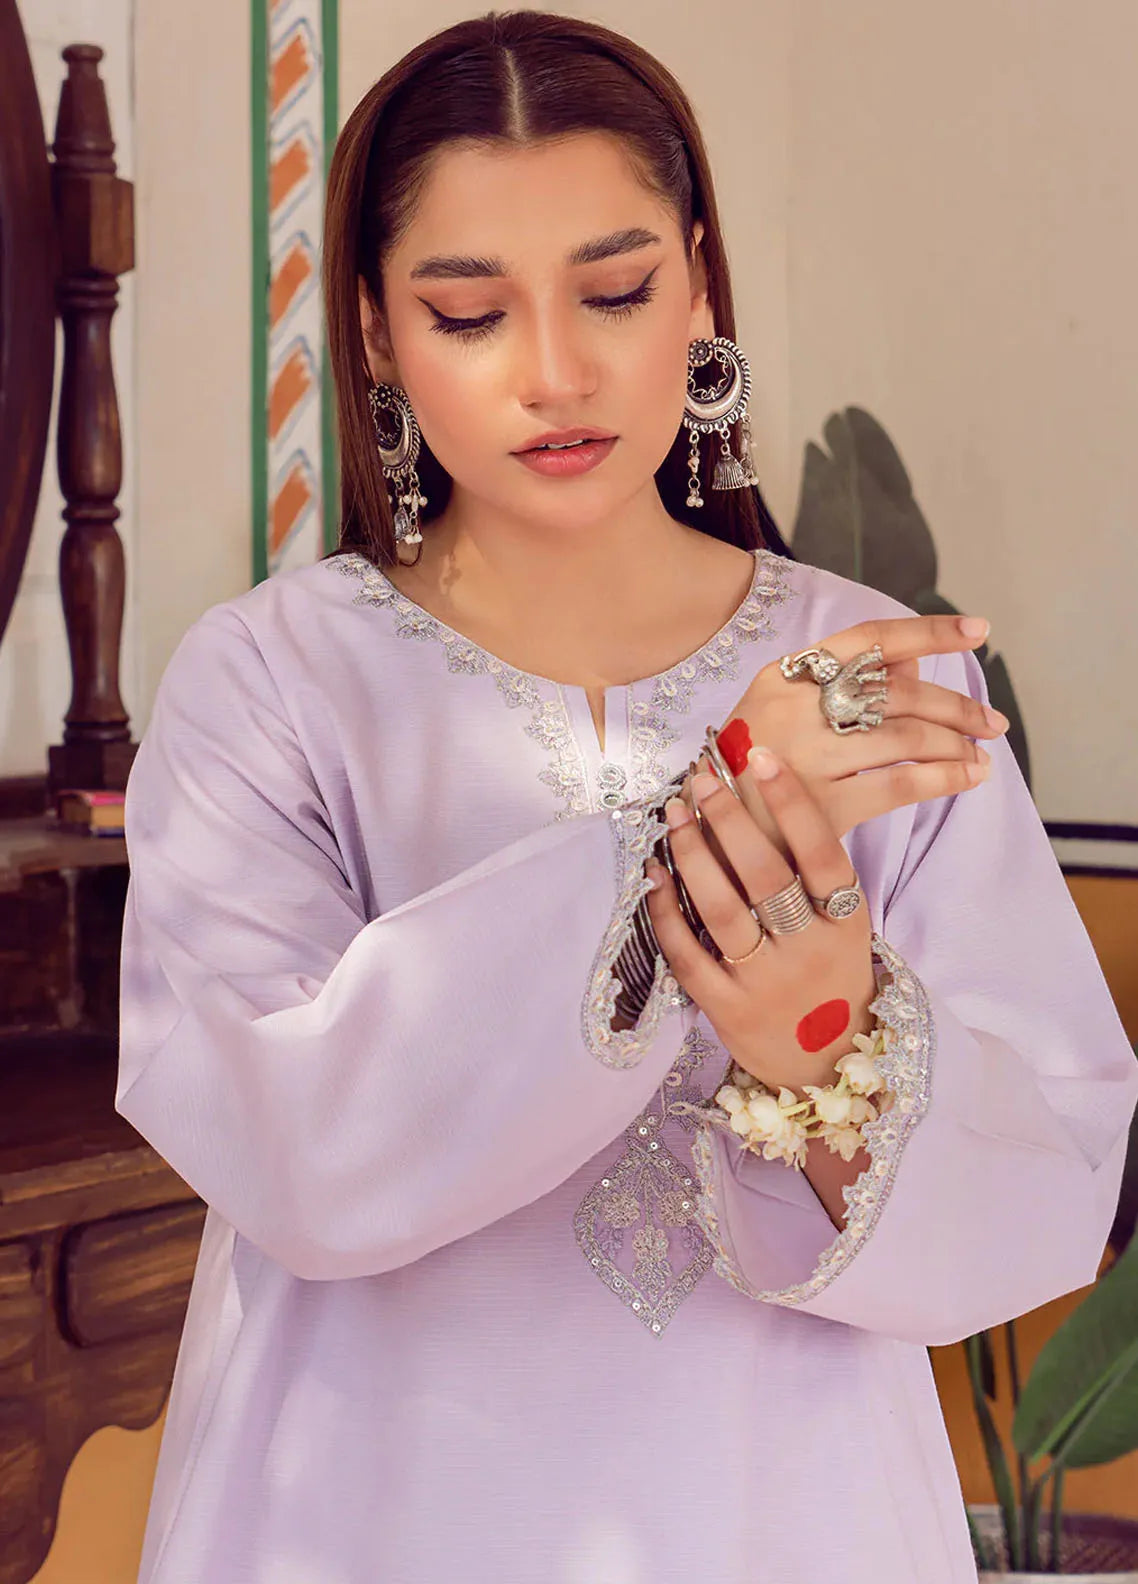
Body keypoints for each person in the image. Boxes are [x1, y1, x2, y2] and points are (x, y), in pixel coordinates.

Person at [116, 11, 1138, 1582]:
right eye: (467, 313)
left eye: (614, 290)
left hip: (790, 1507)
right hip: (369, 1508)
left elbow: (1041, 1180)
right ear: (376, 334)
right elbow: (286, 1142)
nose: (555, 371)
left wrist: (825, 1044)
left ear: (700, 284)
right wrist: (692, 841)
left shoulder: (857, 673)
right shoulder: (269, 682)